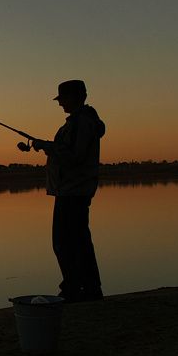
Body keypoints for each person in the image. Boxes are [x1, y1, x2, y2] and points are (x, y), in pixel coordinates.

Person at [23, 79, 106, 302]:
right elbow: (67, 150)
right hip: (70, 190)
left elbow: (74, 157)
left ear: (76, 98)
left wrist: (47, 147)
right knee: (74, 241)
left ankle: (78, 289)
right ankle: (84, 288)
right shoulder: (77, 123)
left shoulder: (82, 123)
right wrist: (44, 145)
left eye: (63, 99)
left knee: (66, 242)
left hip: (74, 191)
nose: (60, 104)